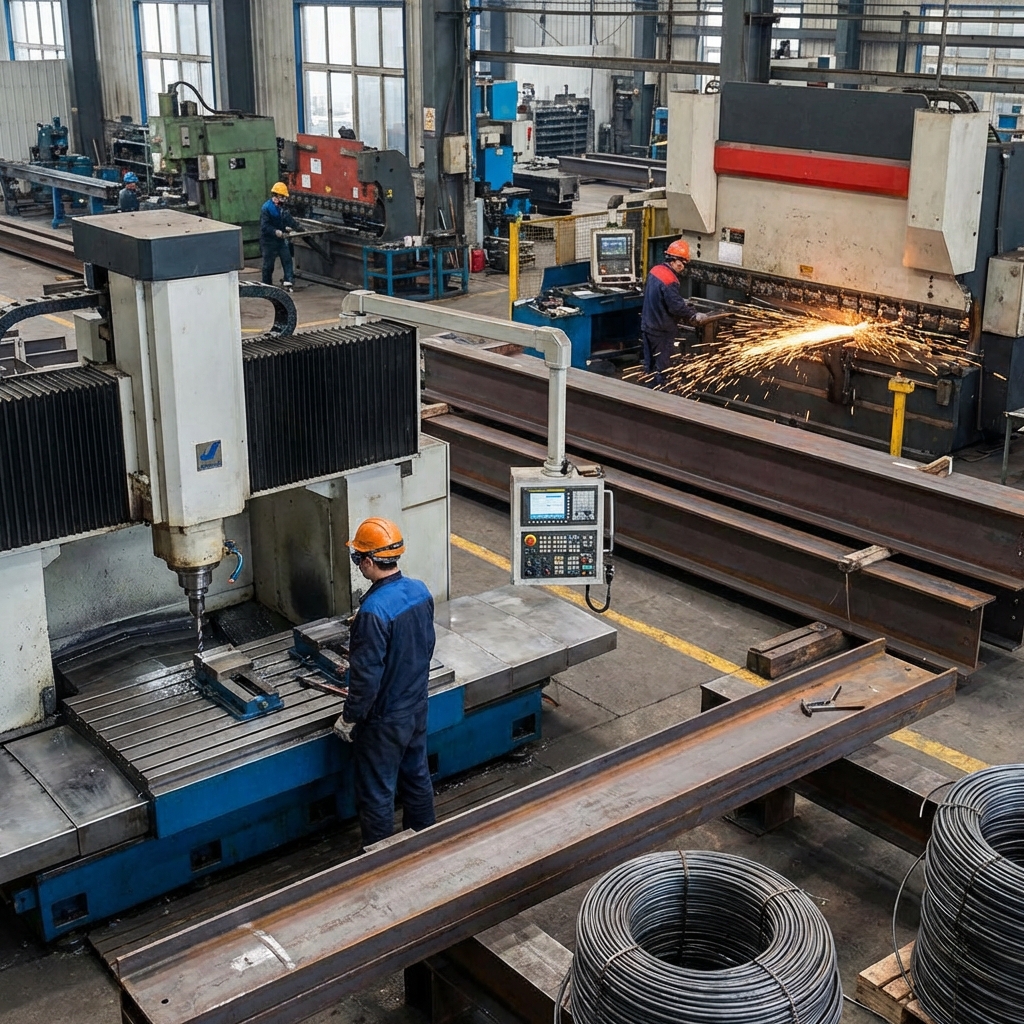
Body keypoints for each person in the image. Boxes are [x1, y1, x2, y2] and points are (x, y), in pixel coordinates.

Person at [333, 517, 437, 849]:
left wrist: (350, 717)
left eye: (357, 558)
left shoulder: (374, 612)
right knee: (416, 776)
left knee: (377, 791)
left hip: (385, 720)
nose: (358, 565)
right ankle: (426, 842)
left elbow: (366, 679)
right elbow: (426, 647)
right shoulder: (420, 591)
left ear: (367, 561)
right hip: (416, 706)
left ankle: (382, 861)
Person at [640, 238, 707, 387]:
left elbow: (660, 296)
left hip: (647, 325)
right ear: (672, 260)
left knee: (650, 365)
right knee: (663, 368)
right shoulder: (670, 280)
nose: (682, 267)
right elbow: (676, 307)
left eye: (684, 264)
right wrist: (693, 315)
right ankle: (661, 392)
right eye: (680, 263)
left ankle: (648, 391)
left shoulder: (655, 270)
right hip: (661, 331)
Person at [260, 181, 300, 290]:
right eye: (282, 197)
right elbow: (265, 226)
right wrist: (275, 231)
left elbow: (287, 220)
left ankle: (288, 281)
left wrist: (293, 228)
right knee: (268, 265)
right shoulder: (267, 208)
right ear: (276, 196)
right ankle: (266, 285)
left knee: (287, 260)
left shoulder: (282, 208)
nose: (284, 199)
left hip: (280, 240)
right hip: (268, 241)